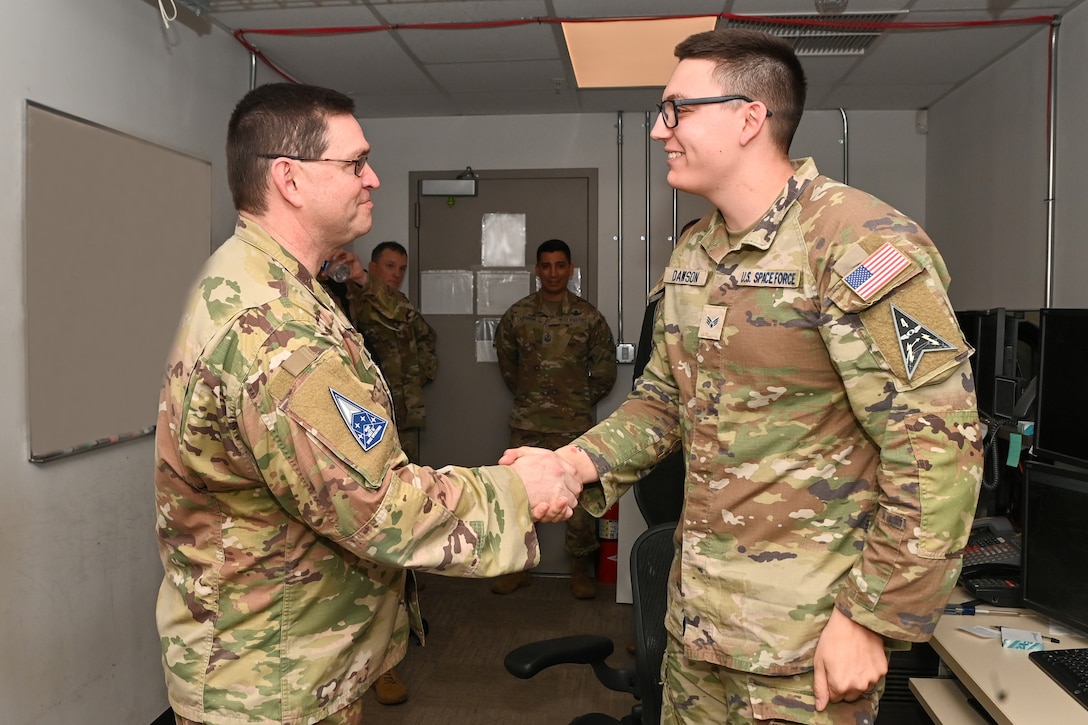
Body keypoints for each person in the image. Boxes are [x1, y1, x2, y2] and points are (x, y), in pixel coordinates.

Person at [509, 29, 983, 724]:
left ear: (748, 117)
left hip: (806, 642)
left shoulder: (857, 242)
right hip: (698, 628)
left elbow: (939, 446)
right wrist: (576, 462)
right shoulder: (696, 250)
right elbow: (664, 401)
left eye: (676, 110)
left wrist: (873, 616)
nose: (656, 130)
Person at [154, 82, 580, 725]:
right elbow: (384, 508)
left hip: (288, 661)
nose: (373, 178)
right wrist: (521, 488)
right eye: (355, 164)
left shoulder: (268, 283)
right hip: (272, 686)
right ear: (291, 179)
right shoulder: (277, 329)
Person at [492, 239, 618, 599]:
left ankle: (581, 570)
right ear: (537, 270)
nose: (552, 273)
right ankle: (518, 567)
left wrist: (575, 400)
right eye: (545, 266)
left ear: (570, 269)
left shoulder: (588, 317)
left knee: (578, 501)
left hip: (574, 425)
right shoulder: (518, 315)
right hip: (528, 422)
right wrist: (535, 396)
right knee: (519, 495)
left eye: (559, 265)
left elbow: (605, 370)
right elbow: (508, 366)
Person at [347, 241, 437, 465]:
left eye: (402, 268)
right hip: (370, 405)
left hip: (404, 407)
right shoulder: (352, 297)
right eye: (390, 266)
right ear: (373, 267)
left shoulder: (399, 302)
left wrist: (419, 374)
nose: (397, 273)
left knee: (409, 470)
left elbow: (426, 335)